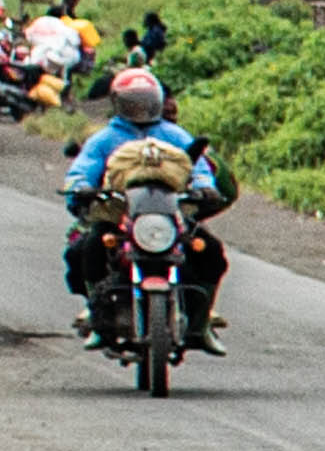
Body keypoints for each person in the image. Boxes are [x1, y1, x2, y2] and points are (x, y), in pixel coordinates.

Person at [60, 62, 231, 355]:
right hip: (120, 216)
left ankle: (201, 323)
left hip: (170, 215)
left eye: (146, 100)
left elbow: (198, 166)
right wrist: (80, 187)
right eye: (133, 101)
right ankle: (97, 316)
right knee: (86, 250)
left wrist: (205, 187)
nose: (141, 107)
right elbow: (83, 169)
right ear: (118, 103)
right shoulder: (104, 139)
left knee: (211, 253)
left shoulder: (174, 135)